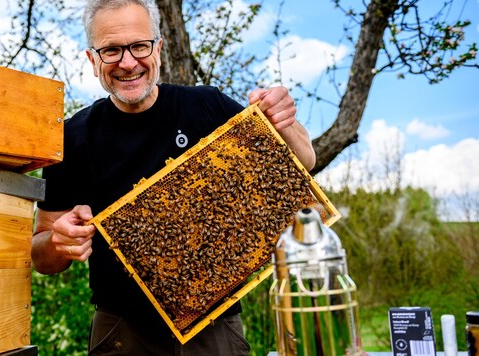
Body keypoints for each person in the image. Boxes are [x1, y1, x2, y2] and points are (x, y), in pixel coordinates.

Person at [32, 0, 316, 354]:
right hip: (121, 328)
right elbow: (41, 255)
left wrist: (283, 120)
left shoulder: (207, 106)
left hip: (215, 326)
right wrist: (59, 241)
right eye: (111, 50)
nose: (128, 62)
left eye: (139, 46)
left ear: (159, 49)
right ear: (93, 60)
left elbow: (304, 160)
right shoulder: (73, 137)